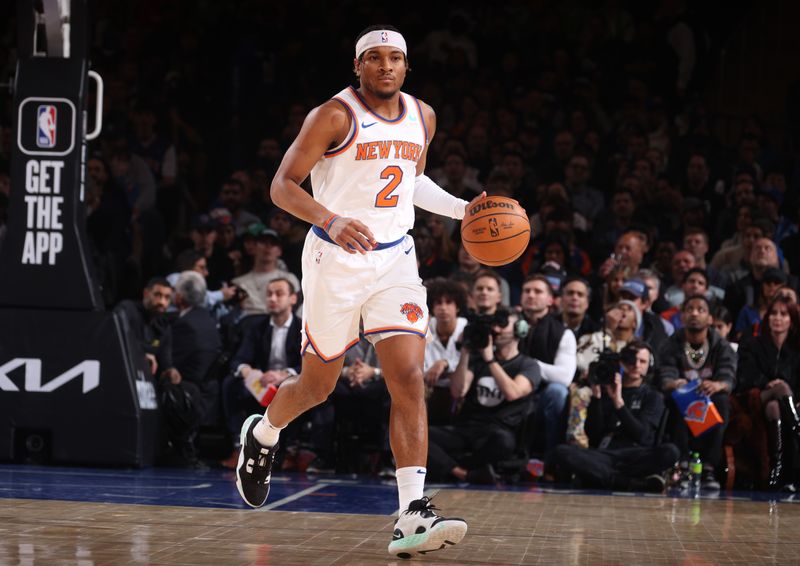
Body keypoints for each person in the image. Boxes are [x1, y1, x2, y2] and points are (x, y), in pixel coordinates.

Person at [234, 26, 476, 558]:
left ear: (407, 67)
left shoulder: (424, 115)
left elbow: (409, 181)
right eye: (375, 58)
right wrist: (330, 219)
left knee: (408, 376)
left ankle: (411, 512)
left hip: (395, 258)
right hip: (335, 261)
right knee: (317, 386)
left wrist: (463, 210)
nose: (385, 66)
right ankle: (265, 433)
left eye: (395, 58)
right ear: (358, 65)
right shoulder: (333, 115)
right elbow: (281, 185)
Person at [428, 309, 541, 484]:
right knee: (420, 435)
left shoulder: (528, 365)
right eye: (495, 325)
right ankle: (462, 473)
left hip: (497, 433)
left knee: (504, 442)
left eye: (503, 325)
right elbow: (458, 392)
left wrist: (490, 360)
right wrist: (465, 352)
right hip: (468, 428)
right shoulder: (477, 360)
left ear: (520, 329)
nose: (496, 329)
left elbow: (513, 393)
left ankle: (447, 466)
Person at [555, 341, 679, 492]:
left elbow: (643, 436)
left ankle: (603, 479)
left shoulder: (653, 396)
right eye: (631, 360)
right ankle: (630, 483)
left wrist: (619, 403)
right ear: (622, 362)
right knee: (562, 452)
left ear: (650, 365)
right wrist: (596, 398)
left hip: (637, 456)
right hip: (605, 455)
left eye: (642, 361)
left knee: (670, 451)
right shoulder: (605, 390)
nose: (636, 365)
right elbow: (594, 437)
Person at [656, 295, 737, 491]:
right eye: (689, 309)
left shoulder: (720, 345)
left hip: (711, 397)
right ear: (682, 316)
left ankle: (709, 466)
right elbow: (665, 375)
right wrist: (674, 383)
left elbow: (728, 376)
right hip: (681, 399)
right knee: (679, 397)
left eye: (700, 309)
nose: (694, 313)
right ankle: (682, 464)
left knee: (722, 401)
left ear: (710, 318)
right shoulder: (671, 343)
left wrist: (717, 385)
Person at [220, 278, 303, 468]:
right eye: (269, 294)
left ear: (292, 298)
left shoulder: (302, 328)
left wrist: (283, 374)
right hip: (262, 383)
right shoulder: (256, 326)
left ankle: (292, 450)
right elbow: (239, 360)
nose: (272, 298)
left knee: (300, 388)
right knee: (230, 384)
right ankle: (239, 446)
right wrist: (248, 371)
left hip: (290, 380)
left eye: (279, 294)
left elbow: (306, 365)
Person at [735, 295, 800, 490]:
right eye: (773, 313)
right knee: (780, 389)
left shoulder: (797, 348)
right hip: (755, 397)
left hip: (783, 405)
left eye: (783, 314)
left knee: (775, 407)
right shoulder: (753, 344)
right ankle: (798, 429)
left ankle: (778, 470)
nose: (777, 318)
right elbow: (745, 376)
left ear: (792, 319)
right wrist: (769, 384)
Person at [168, 271, 223, 467]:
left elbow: (174, 364)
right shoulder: (209, 321)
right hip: (206, 390)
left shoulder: (184, 324)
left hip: (190, 393)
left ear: (179, 297)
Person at [517, 275, 577, 455]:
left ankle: (552, 458)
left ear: (550, 299)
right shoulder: (507, 323)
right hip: (507, 389)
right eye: (527, 291)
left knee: (558, 391)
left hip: (541, 394)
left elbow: (564, 376)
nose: (531, 295)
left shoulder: (563, 333)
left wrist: (529, 365)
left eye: (538, 291)